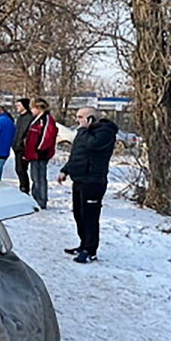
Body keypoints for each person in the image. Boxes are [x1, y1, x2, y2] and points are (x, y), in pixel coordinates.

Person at [57, 107, 118, 263]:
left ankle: (90, 250)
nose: (78, 120)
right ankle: (83, 244)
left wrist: (84, 130)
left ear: (90, 118)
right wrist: (65, 170)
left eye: (81, 117)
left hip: (93, 180)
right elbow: (76, 153)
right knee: (79, 214)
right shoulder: (83, 133)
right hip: (79, 178)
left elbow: (92, 145)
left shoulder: (105, 132)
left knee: (90, 216)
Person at [22, 98, 57, 209]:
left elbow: (48, 135)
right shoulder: (36, 119)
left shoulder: (46, 119)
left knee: (40, 177)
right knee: (34, 177)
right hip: (33, 153)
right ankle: (36, 197)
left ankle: (41, 200)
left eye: (32, 108)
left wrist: (39, 149)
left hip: (40, 154)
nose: (31, 110)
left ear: (38, 108)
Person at [13, 98, 33, 194]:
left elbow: (24, 133)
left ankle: (25, 189)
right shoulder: (20, 118)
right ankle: (23, 187)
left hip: (23, 148)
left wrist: (21, 143)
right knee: (18, 169)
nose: (17, 107)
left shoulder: (28, 118)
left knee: (21, 169)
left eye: (19, 105)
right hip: (17, 147)